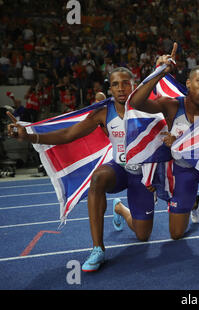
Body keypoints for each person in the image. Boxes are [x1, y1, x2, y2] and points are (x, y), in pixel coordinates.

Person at [6, 67, 161, 272]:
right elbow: (67, 135)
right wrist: (29, 136)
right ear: (110, 88)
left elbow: (167, 139)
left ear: (134, 84)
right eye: (115, 84)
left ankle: (120, 209)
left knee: (143, 236)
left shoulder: (149, 108)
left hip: (144, 175)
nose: (121, 88)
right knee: (97, 178)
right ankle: (98, 248)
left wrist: (158, 177)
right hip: (119, 170)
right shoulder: (104, 112)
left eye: (125, 83)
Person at [129, 42, 199, 259]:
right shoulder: (173, 106)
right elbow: (136, 102)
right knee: (176, 234)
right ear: (188, 84)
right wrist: (160, 72)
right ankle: (193, 202)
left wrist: (180, 138)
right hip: (183, 170)